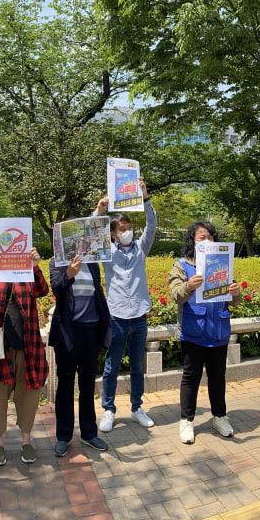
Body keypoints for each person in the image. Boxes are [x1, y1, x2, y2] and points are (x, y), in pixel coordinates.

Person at [168, 221, 242, 445]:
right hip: (194, 332)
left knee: (218, 378)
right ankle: (186, 420)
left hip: (218, 331)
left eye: (210, 237)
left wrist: (236, 292)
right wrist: (189, 286)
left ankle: (220, 417)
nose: (207, 241)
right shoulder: (182, 265)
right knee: (191, 378)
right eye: (202, 237)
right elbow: (175, 295)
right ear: (192, 241)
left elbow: (235, 301)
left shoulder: (222, 263)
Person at [93, 180, 157, 433]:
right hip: (117, 317)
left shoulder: (141, 248)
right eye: (122, 229)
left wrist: (145, 198)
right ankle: (108, 409)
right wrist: (99, 210)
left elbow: (152, 225)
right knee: (112, 366)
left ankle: (137, 407)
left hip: (139, 316)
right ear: (112, 234)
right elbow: (90, 234)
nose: (127, 231)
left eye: (129, 228)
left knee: (138, 367)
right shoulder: (107, 251)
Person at [0, 246, 49, 467]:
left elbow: (42, 290)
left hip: (27, 344)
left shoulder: (26, 267)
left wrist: (35, 266)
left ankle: (26, 440)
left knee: (29, 395)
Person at [49, 242, 113, 458]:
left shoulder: (92, 263)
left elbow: (97, 293)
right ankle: (63, 436)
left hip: (91, 332)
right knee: (65, 385)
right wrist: (69, 274)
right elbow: (56, 289)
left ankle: (89, 432)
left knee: (87, 385)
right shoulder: (57, 262)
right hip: (68, 333)